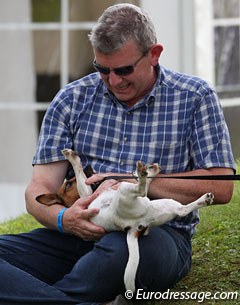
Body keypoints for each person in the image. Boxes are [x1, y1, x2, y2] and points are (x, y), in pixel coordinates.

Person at [0, 3, 236, 305]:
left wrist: (132, 183)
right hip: (73, 235)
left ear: (154, 53)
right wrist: (63, 219)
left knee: (117, 256)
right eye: (102, 69)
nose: (114, 81)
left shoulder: (195, 97)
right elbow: (39, 189)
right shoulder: (71, 99)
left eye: (124, 69)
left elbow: (222, 186)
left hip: (150, 235)